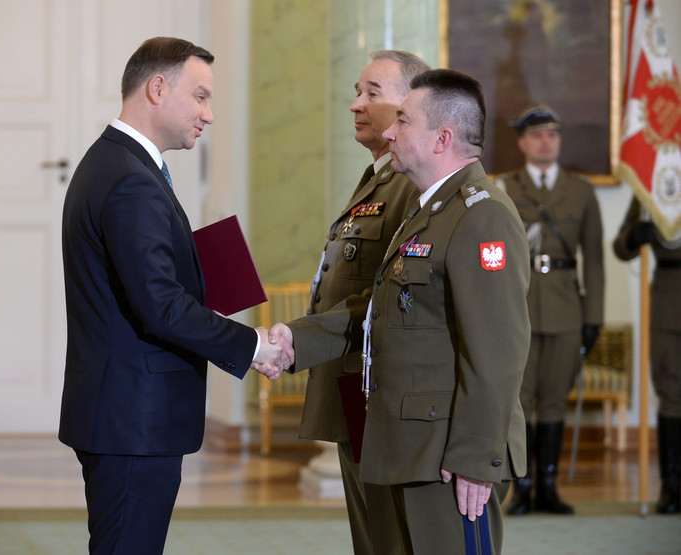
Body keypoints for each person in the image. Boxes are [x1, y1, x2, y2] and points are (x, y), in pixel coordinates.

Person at [265, 69, 531, 554]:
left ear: (442, 138)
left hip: (449, 458)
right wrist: (297, 339)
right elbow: (380, 308)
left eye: (404, 121)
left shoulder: (482, 213)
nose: (389, 132)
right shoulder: (427, 211)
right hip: (403, 444)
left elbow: (498, 352)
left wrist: (476, 458)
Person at [59, 37, 290, 555]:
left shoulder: (118, 165)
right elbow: (160, 305)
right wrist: (254, 346)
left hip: (123, 416)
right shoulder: (129, 180)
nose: (209, 114)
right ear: (157, 88)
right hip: (132, 423)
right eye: (201, 96)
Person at [301, 50, 427, 555]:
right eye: (357, 91)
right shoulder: (377, 178)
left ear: (409, 105)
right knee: (369, 534)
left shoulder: (407, 184)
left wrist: (294, 340)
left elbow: (391, 296)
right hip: (353, 382)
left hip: (375, 388)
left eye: (372, 93)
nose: (356, 104)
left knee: (387, 535)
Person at [495, 105, 604, 515]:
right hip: (518, 309)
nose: (546, 141)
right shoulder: (504, 187)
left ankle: (549, 487)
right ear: (522, 143)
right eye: (538, 135)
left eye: (553, 134)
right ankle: (521, 487)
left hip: (565, 312)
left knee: (555, 400)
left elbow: (593, 260)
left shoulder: (581, 192)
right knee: (518, 401)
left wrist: (593, 317)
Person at [614, 199, 681, 514]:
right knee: (671, 393)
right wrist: (634, 237)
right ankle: (673, 485)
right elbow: (620, 247)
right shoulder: (652, 182)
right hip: (669, 301)